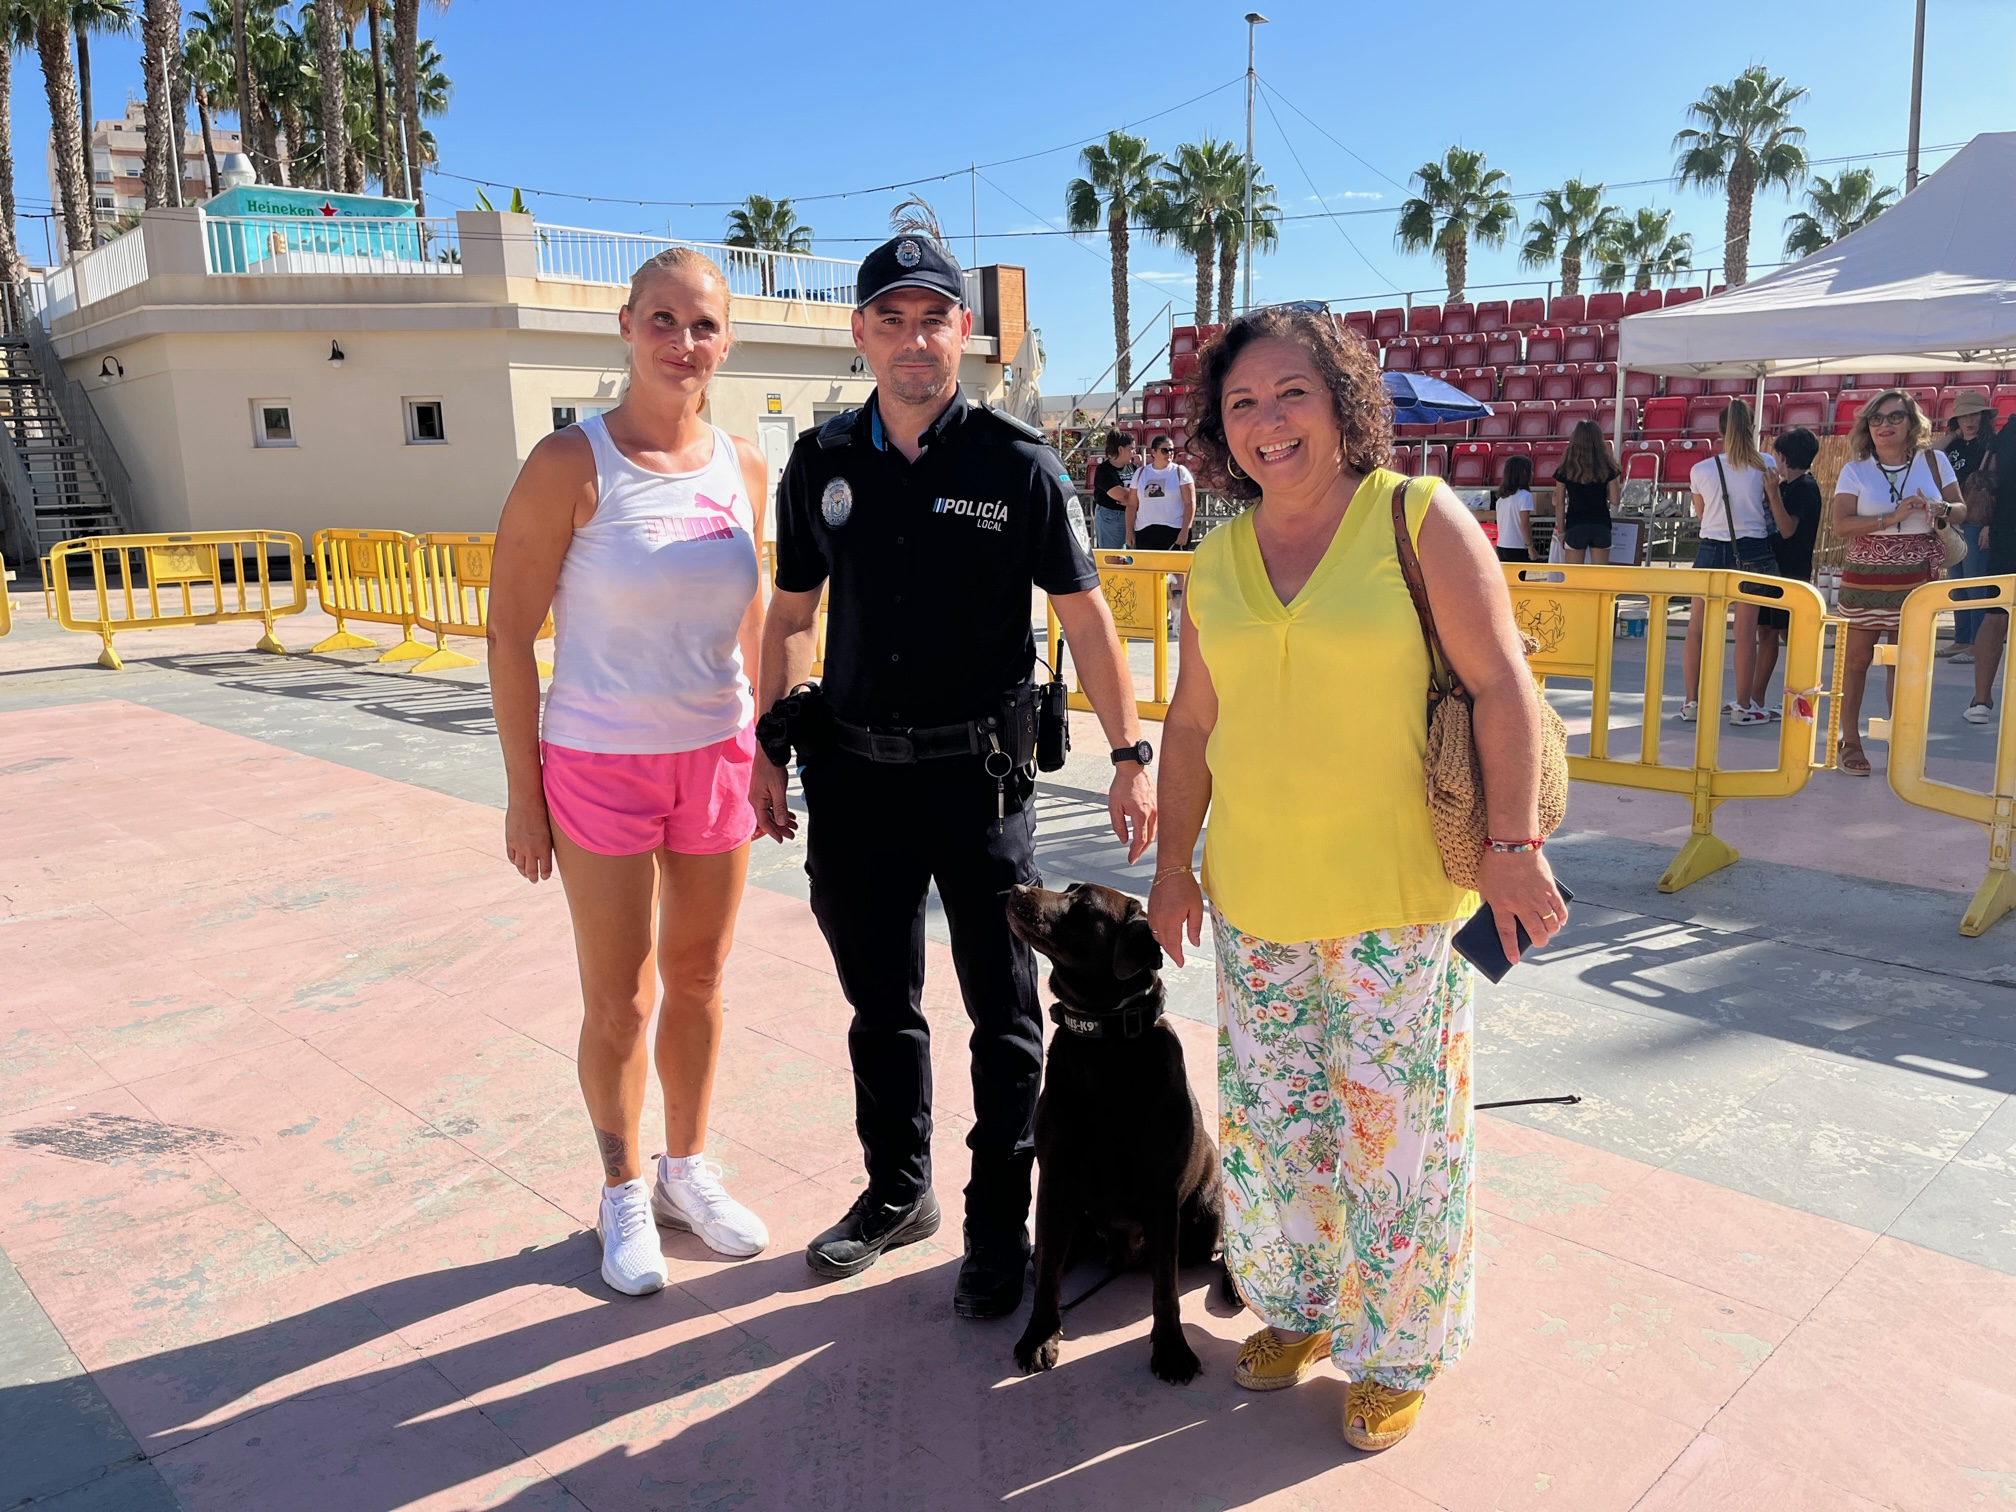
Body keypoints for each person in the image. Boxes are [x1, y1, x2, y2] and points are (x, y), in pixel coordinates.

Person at [1145, 306, 1566, 1453]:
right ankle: (1300, 1308)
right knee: (1278, 1130)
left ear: (1342, 403)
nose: (1268, 422)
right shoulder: (1216, 556)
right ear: (1218, 430)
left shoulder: (1416, 521)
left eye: (1292, 394)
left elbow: (1501, 686)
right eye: (1242, 403)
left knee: (1398, 1142)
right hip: (1258, 901)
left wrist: (1513, 844)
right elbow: (1190, 725)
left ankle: (1397, 1349)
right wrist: (1175, 867)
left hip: (1396, 903)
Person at [752, 234, 1157, 1319]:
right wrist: (767, 745)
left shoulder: (1017, 463)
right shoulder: (822, 462)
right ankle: (897, 1194)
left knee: (1007, 1016)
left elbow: (1086, 613)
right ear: (861, 336)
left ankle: (996, 1224)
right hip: (853, 781)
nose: (914, 339)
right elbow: (792, 616)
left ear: (963, 336)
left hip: (979, 785)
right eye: (891, 318)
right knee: (880, 1004)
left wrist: (1128, 755)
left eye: (934, 318)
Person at [489, 247, 771, 1298]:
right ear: (625, 325)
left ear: (725, 340)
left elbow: (753, 615)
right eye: (663, 320)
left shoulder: (743, 466)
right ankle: (619, 1188)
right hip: (598, 762)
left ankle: (685, 1170)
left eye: (702, 326)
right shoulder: (572, 463)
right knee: (621, 998)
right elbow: (508, 633)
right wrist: (525, 791)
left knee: (699, 980)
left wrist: (766, 748)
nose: (683, 343)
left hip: (716, 759)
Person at [1832, 389, 1967, 775]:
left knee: (1904, 663)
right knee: (1856, 661)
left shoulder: (1934, 460)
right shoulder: (1856, 469)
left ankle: (1901, 740)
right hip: (1865, 577)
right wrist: (1891, 517)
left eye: (1894, 417)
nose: (1884, 426)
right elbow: (1841, 525)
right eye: (1876, 419)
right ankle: (1850, 741)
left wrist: (1940, 508)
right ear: (1867, 426)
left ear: (1911, 423)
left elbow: (1962, 510)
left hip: (1916, 577)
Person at [1681, 399, 1794, 726]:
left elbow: (1702, 515)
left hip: (1711, 549)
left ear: (1719, 431)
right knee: (1745, 633)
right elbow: (1769, 507)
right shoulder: (1766, 463)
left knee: (1696, 629)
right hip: (1754, 550)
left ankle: (1691, 702)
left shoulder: (1701, 470)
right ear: (1752, 428)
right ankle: (1744, 705)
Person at [1743, 426, 1824, 719]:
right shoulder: (1791, 486)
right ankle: (1754, 698)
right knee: (1766, 632)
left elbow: (1788, 529)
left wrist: (1772, 493)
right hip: (1773, 568)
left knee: (1790, 636)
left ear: (1784, 457)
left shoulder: (1805, 487)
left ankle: (1801, 696)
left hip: (1791, 571)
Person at [1947, 395, 2006, 721]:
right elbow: (1929, 455)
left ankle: (1973, 642)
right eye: (1964, 416)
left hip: (1976, 520)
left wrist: (1989, 525)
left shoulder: (1992, 446)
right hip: (1953, 522)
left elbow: (1997, 488)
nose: (1970, 421)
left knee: (1975, 583)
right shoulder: (1952, 447)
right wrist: (1953, 435)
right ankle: (1960, 638)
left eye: (1975, 416)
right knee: (1956, 584)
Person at [1549, 419, 1620, 564]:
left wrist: (1561, 531)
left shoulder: (1565, 468)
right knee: (1599, 578)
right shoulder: (1608, 467)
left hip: (1575, 525)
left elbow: (1560, 503)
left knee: (1575, 579)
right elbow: (1615, 500)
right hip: (1601, 525)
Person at [1128, 434, 1198, 550]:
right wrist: (1129, 532)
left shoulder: (1180, 472)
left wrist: (1185, 530)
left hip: (1174, 530)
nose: (1169, 453)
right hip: (1145, 531)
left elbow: (1190, 503)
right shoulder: (1141, 473)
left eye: (1171, 450)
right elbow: (1131, 505)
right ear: (1154, 452)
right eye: (1165, 450)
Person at [1090, 430, 1138, 550]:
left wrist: (1132, 498)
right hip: (1112, 518)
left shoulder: (1133, 468)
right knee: (1114, 559)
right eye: (1131, 449)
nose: (1134, 452)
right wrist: (1135, 496)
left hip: (1133, 516)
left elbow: (1143, 492)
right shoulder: (1104, 470)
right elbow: (1120, 495)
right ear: (1121, 449)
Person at [1493, 453, 1536, 562]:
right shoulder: (1525, 496)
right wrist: (1530, 546)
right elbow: (1525, 524)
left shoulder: (1501, 498)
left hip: (1501, 545)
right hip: (1517, 546)